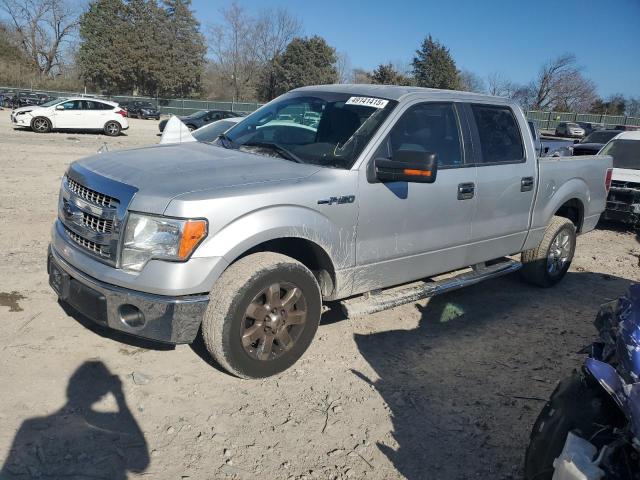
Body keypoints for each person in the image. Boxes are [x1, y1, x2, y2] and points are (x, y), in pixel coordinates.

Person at [1, 361, 149, 479]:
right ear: (102, 395)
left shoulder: (30, 425)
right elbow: (141, 464)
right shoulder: (110, 428)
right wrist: (120, 399)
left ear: (69, 387)